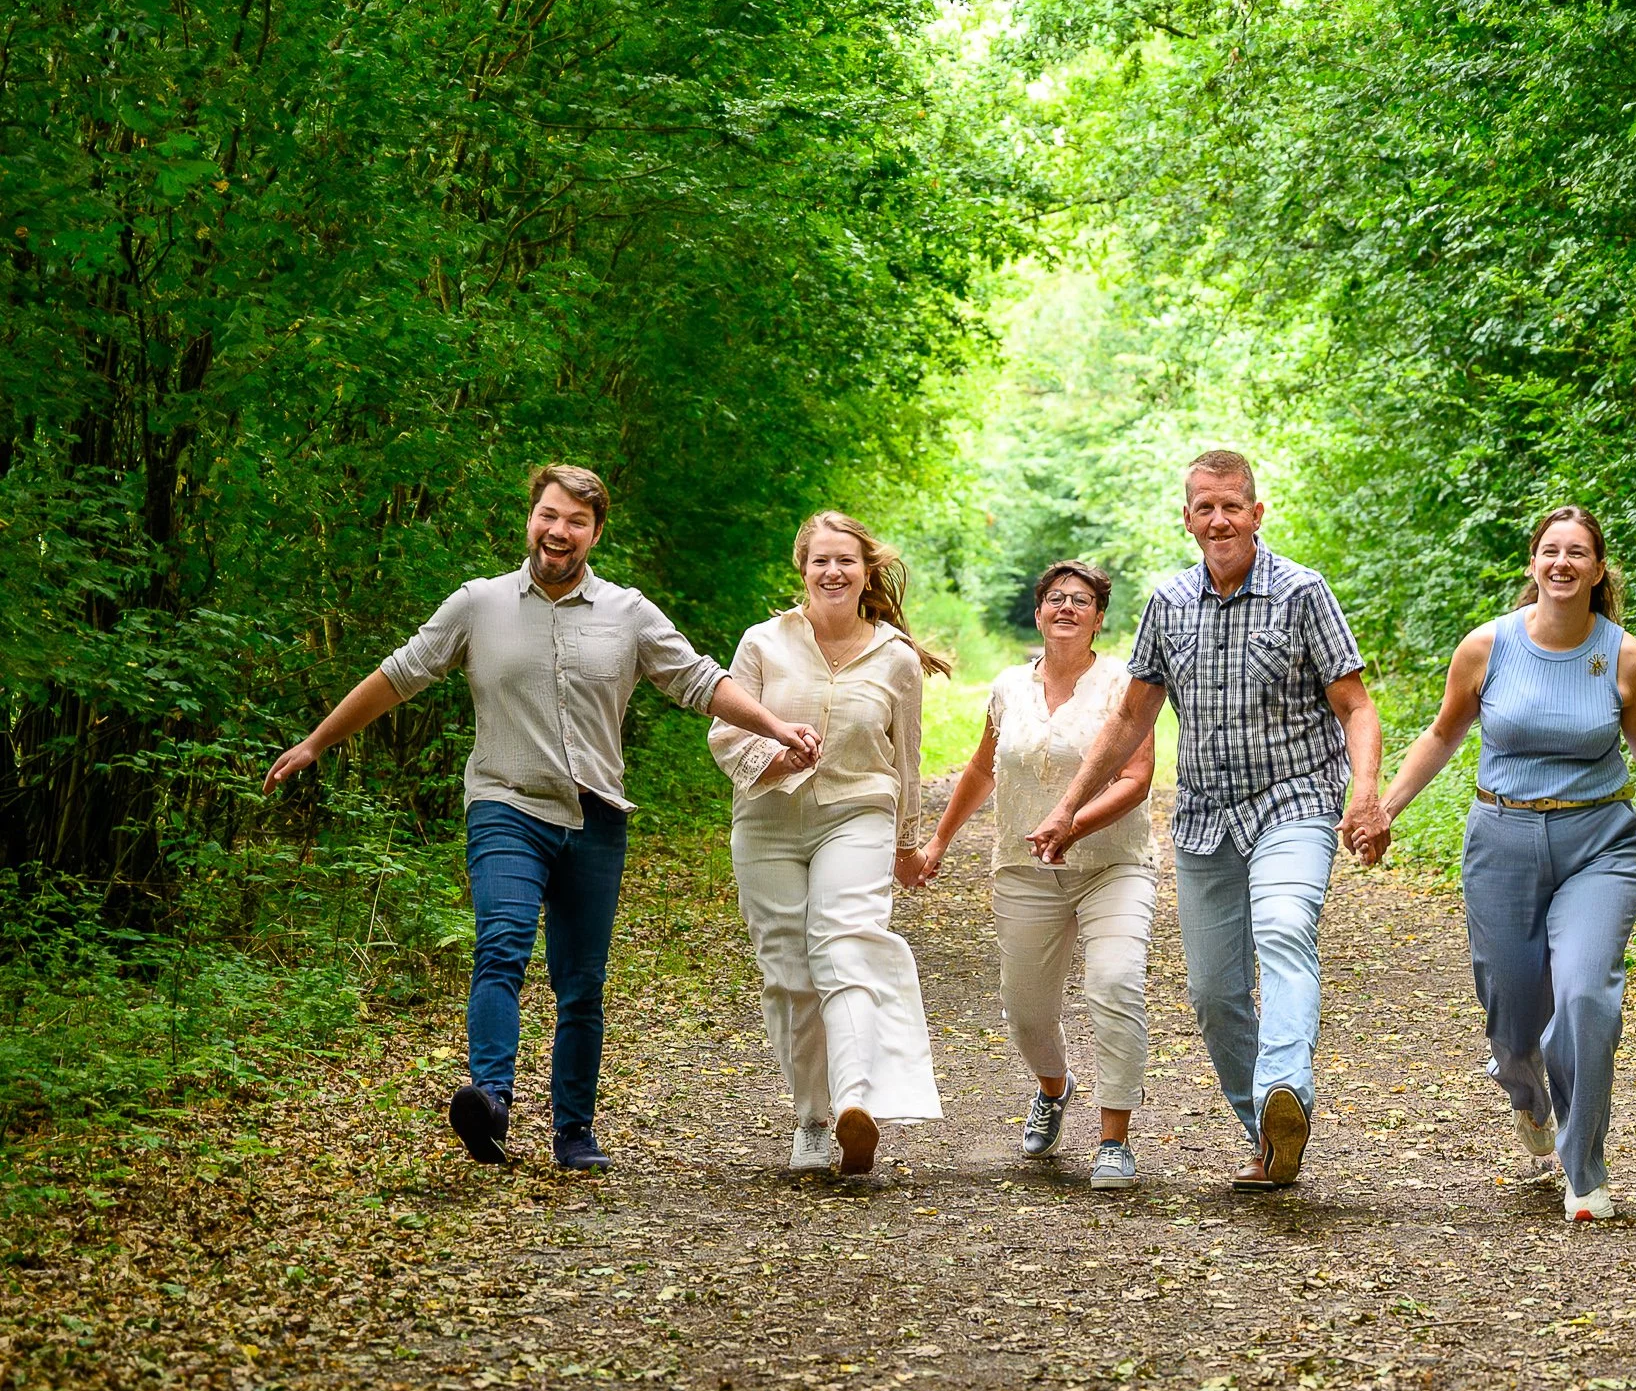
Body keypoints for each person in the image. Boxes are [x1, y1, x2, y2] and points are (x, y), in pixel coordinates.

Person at [264, 465, 820, 1172]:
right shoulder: (478, 605)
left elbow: (699, 680)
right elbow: (399, 675)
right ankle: (490, 1104)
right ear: (530, 517)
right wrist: (317, 740)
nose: (559, 532)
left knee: (580, 982)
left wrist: (773, 725)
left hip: (596, 818)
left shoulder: (628, 613)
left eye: (576, 522)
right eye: (549, 516)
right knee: (500, 945)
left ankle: (573, 1131)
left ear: (594, 532)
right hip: (505, 804)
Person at [1031, 450, 1388, 1192]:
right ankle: (1265, 1129)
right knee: (1213, 993)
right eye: (1204, 507)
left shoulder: (1301, 593)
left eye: (1231, 505)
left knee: (1286, 926)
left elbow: (1353, 705)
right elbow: (1132, 717)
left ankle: (1287, 1086)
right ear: (1187, 519)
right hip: (1203, 819)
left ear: (1257, 514)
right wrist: (1067, 810)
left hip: (1293, 802)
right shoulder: (1168, 602)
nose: (1218, 519)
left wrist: (1365, 793)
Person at [1373, 506, 1636, 1222]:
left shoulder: (1625, 657)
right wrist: (1383, 809)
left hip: (1597, 846)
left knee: (1585, 998)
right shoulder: (1486, 647)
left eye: (1577, 554)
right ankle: (1527, 1097)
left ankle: (1584, 1169)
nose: (1561, 564)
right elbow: (1442, 736)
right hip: (1500, 843)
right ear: (1533, 564)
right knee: (1510, 1017)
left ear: (1598, 571)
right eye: (1549, 552)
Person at [707, 512, 946, 1178]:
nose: (833, 572)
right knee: (787, 971)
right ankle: (811, 1119)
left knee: (844, 946)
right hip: (767, 821)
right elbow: (725, 736)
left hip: (856, 814)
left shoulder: (895, 658)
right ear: (802, 569)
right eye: (820, 561)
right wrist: (775, 755)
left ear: (867, 569)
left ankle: (854, 1107)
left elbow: (906, 760)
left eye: (846, 560)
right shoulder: (763, 643)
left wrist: (905, 842)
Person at [913, 560, 1158, 1190]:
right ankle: (1054, 1087)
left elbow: (1135, 780)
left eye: (1082, 601)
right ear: (1039, 610)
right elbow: (980, 768)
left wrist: (1071, 824)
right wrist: (939, 839)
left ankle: (1114, 1140)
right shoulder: (1007, 687)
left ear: (1100, 618)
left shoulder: (1125, 684)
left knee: (1116, 982)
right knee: (1025, 1014)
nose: (1067, 608)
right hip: (1024, 866)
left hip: (1114, 862)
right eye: (1056, 598)